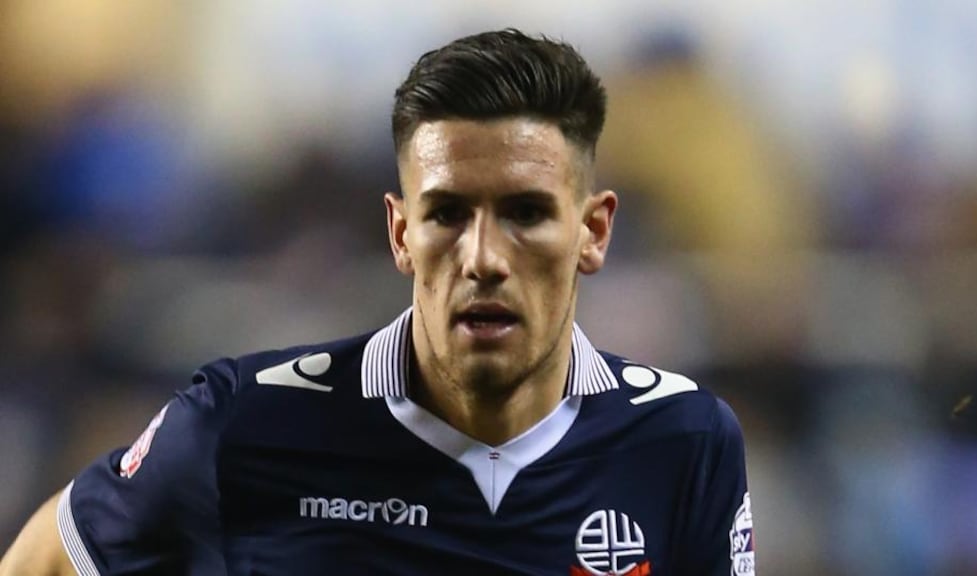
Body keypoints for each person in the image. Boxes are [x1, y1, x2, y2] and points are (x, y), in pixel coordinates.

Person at [0, 29, 755, 575]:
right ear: (400, 233)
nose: (484, 259)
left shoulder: (681, 442)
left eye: (526, 213)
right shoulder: (243, 424)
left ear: (593, 232)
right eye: (447, 214)